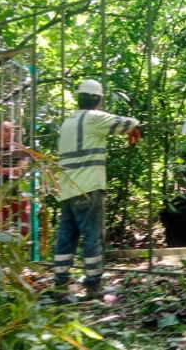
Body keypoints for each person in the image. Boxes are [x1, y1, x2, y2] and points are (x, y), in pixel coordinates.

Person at [53, 79, 141, 300]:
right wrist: (132, 128)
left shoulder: (68, 122)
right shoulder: (93, 118)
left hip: (67, 189)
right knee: (93, 236)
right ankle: (93, 285)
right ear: (98, 101)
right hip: (88, 187)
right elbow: (128, 122)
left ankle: (60, 283)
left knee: (67, 236)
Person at [0, 121, 30, 236]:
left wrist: (0, 170)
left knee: (24, 229)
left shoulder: (19, 150)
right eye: (7, 131)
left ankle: (24, 247)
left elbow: (21, 170)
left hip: (18, 195)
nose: (10, 134)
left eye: (12, 131)